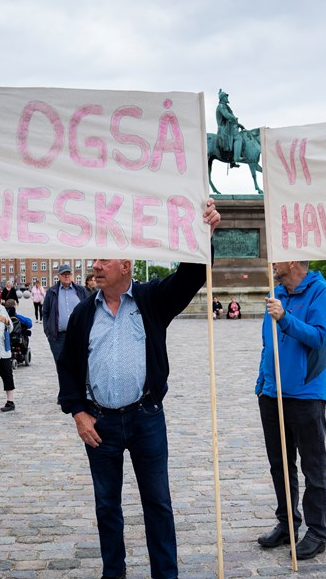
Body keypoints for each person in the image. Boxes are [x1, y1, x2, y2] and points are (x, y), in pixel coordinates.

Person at [56, 198, 221, 579]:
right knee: (106, 506)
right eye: (94, 260)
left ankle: (166, 574)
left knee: (158, 504)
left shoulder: (151, 300)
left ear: (126, 266)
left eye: (103, 261)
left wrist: (204, 232)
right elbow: (66, 366)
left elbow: (191, 276)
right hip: (100, 425)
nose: (94, 266)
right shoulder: (84, 311)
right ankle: (113, 573)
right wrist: (78, 412)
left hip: (146, 418)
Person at [254, 261, 326, 560]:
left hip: (305, 394)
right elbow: (267, 342)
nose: (271, 263)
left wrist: (285, 317)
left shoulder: (320, 292)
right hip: (271, 394)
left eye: (276, 259)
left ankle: (317, 532)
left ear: (291, 260)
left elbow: (318, 338)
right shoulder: (276, 292)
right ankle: (287, 524)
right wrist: (262, 381)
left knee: (313, 467)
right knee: (280, 465)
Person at [42, 264, 88, 364]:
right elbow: (45, 312)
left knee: (78, 365)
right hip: (58, 337)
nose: (66, 276)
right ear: (59, 276)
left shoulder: (81, 291)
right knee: (61, 366)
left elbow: (88, 311)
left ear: (72, 275)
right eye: (64, 274)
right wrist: (48, 331)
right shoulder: (52, 292)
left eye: (68, 274)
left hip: (78, 336)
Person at [215, 89, 244, 168]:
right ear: (222, 98)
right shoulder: (221, 106)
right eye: (225, 96)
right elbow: (226, 115)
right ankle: (236, 157)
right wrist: (234, 118)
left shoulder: (225, 106)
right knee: (238, 138)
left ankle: (232, 160)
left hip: (228, 127)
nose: (227, 98)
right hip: (224, 129)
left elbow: (230, 118)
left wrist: (239, 124)